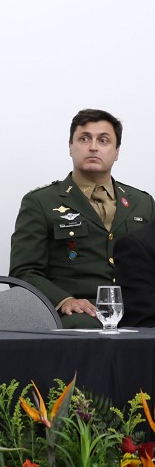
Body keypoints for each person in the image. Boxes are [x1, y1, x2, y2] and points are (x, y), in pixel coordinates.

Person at [10, 109, 155, 328]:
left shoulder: (143, 202)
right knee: (86, 327)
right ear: (70, 147)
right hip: (82, 310)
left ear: (117, 151)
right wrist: (63, 300)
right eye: (84, 138)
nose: (93, 147)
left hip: (139, 308)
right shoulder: (41, 202)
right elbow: (24, 272)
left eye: (104, 140)